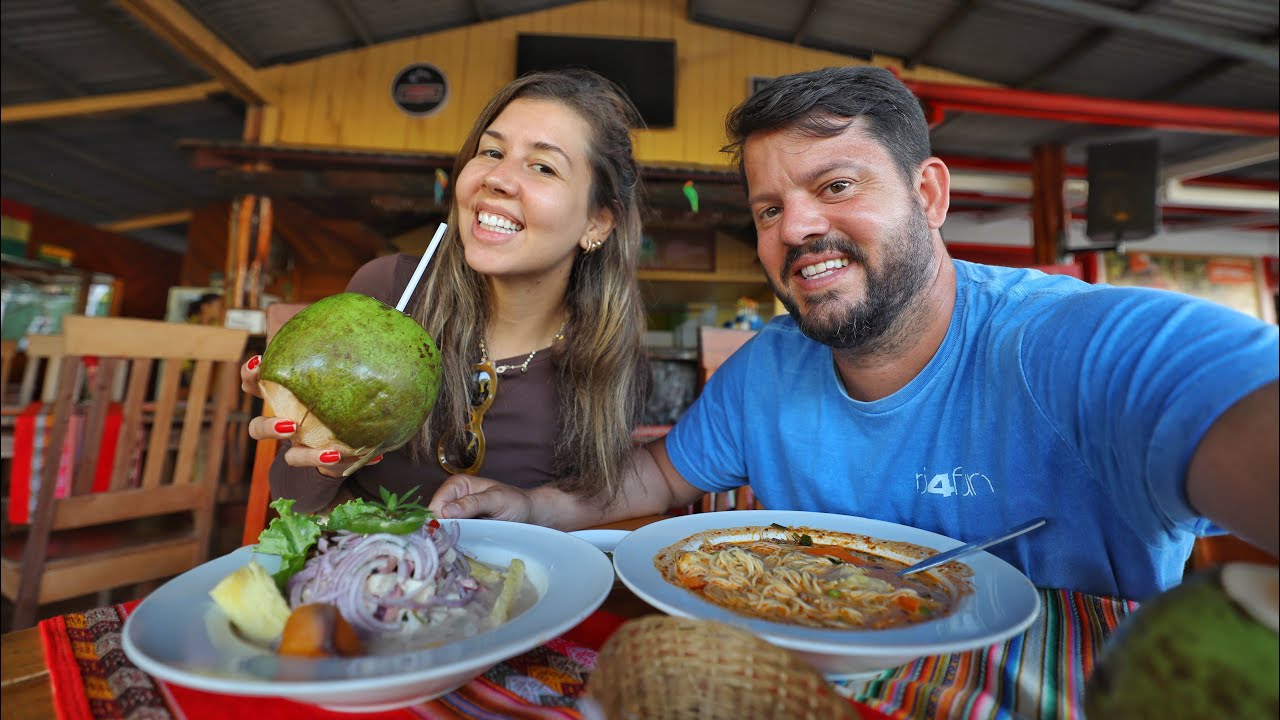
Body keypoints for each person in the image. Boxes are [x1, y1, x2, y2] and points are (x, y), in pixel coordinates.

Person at [430, 65, 1279, 600]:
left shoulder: (1070, 345)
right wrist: (534, 505)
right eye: (770, 208)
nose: (796, 229)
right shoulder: (768, 372)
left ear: (930, 196)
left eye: (836, 185)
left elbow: (1231, 406)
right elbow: (654, 477)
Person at [240, 69, 649, 513]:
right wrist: (325, 458)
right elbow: (288, 501)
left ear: (598, 222)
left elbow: (590, 515)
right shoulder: (387, 294)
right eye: (491, 151)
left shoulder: (610, 358)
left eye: (543, 166)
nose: (497, 177)